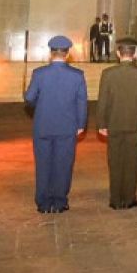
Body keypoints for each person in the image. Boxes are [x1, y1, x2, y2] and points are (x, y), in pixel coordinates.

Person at [24, 35, 88, 213]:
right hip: (66, 127)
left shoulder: (39, 73)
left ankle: (43, 203)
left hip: (43, 127)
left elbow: (29, 98)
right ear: (67, 54)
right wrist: (81, 124)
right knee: (63, 164)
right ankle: (59, 201)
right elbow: (82, 102)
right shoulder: (77, 76)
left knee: (43, 164)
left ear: (51, 53)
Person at [96, 36, 137, 209]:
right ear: (134, 54)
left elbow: (102, 101)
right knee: (132, 163)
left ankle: (115, 199)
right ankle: (129, 198)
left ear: (118, 53)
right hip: (135, 124)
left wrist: (101, 124)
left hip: (114, 124)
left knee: (115, 162)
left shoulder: (108, 74)